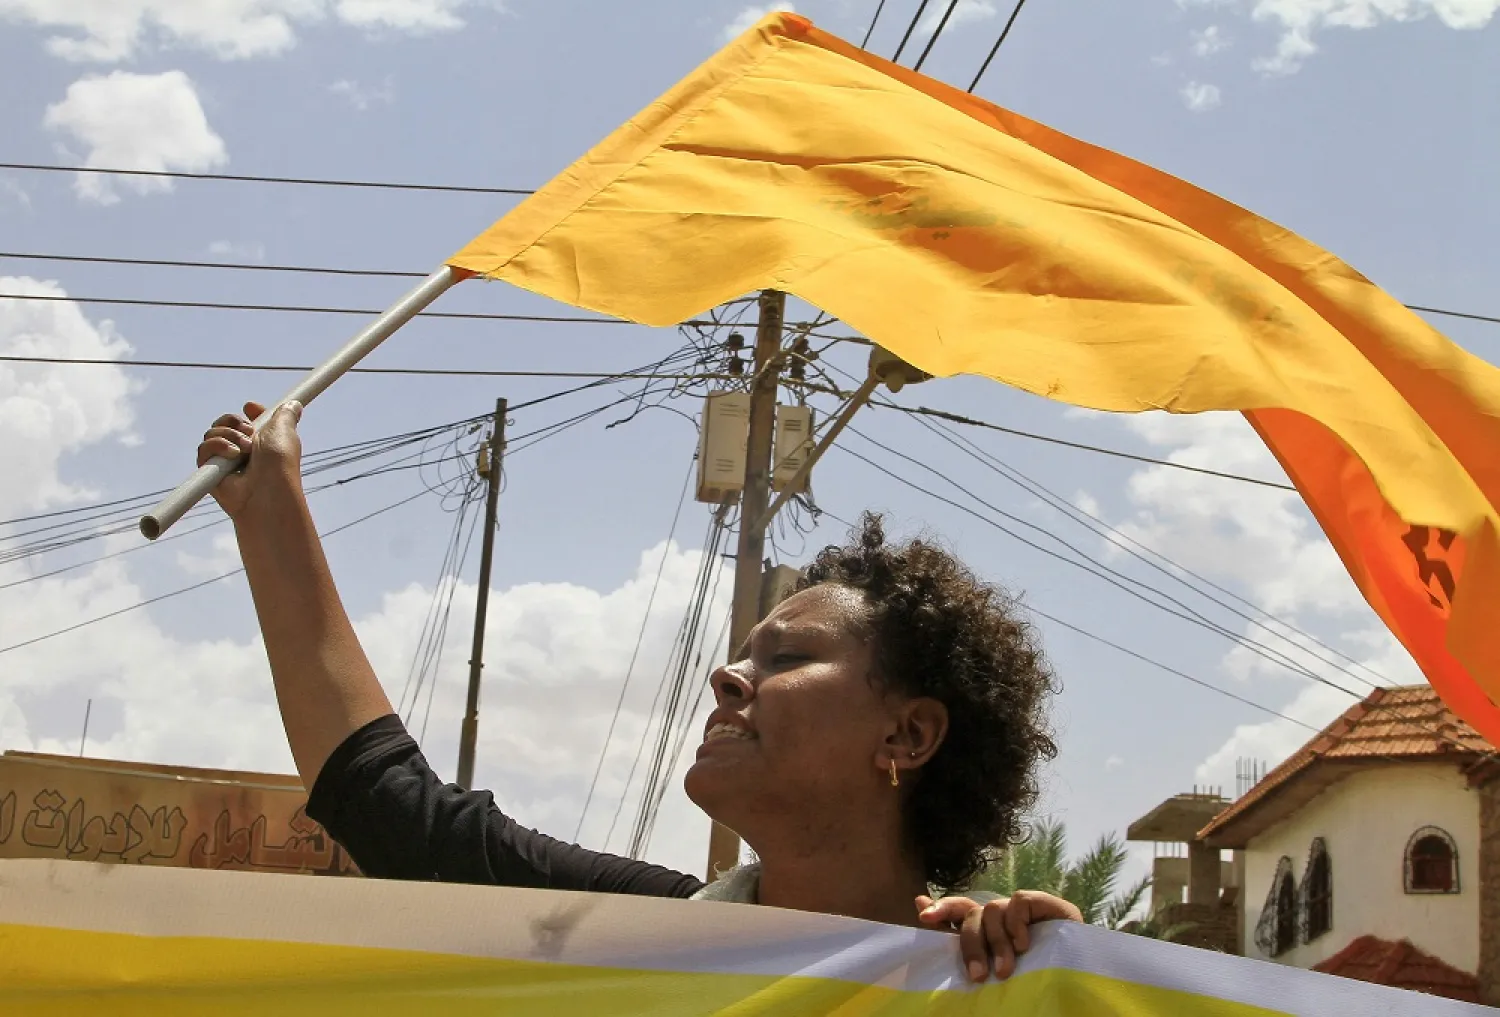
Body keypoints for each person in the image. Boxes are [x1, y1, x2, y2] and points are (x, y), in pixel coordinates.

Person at [199, 400, 1083, 983]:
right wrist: (273, 511)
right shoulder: (642, 943)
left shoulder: (996, 980)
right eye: (743, 653)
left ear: (909, 735)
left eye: (788, 657)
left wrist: (1063, 977)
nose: (728, 675)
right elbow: (390, 806)